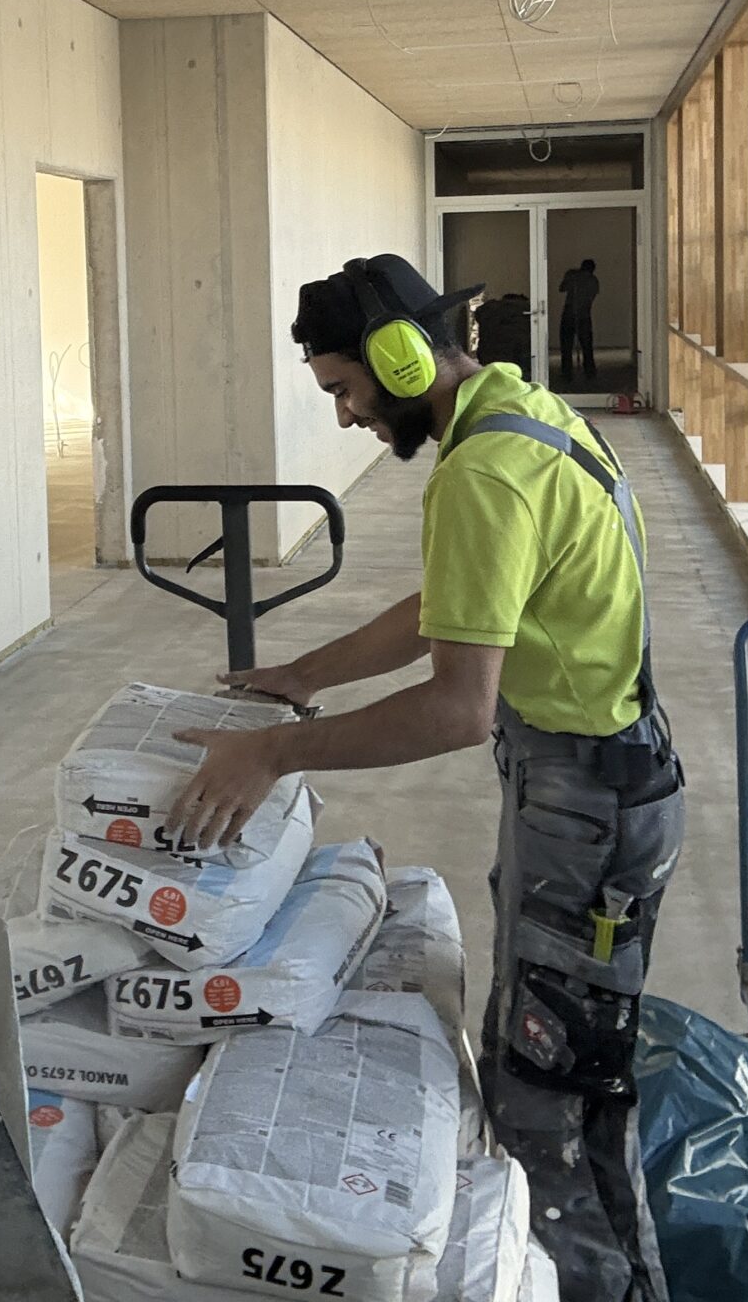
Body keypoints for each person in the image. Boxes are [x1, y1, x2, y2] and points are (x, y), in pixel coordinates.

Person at [168, 253, 684, 1302]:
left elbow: (459, 706)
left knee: (556, 1094)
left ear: (400, 360)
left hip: (586, 802)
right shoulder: (519, 421)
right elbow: (453, 602)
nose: (349, 414)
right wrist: (304, 675)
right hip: (585, 784)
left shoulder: (485, 471)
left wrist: (269, 753)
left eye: (345, 388)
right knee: (538, 1055)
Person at [558, 256, 601, 385]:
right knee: (585, 345)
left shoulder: (576, 277)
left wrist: (573, 277)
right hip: (581, 315)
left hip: (574, 314)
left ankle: (568, 373)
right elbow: (562, 288)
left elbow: (562, 288)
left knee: (569, 345)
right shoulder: (592, 280)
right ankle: (589, 372)